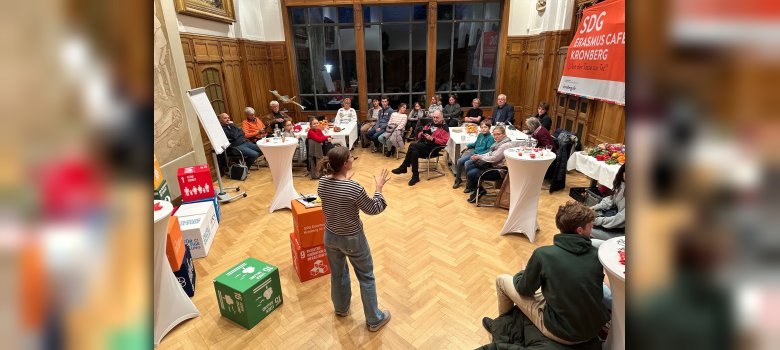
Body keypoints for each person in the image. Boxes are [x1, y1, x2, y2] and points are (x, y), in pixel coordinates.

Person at [483, 201, 610, 345]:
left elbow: (524, 290)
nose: (592, 229)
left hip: (563, 332)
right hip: (592, 329)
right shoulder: (597, 255)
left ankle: (502, 329)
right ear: (580, 230)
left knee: (502, 280)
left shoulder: (544, 254)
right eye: (591, 226)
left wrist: (523, 273)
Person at [316, 147, 392, 332]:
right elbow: (374, 208)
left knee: (338, 273)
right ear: (345, 163)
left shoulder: (323, 182)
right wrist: (379, 187)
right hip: (352, 239)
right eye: (351, 157)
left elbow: (331, 194)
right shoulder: (353, 187)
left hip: (330, 236)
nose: (353, 158)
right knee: (366, 277)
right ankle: (374, 319)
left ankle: (341, 309)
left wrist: (344, 184)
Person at [391, 110, 450, 186]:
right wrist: (422, 134)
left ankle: (404, 166)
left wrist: (432, 139)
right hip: (424, 145)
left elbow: (444, 142)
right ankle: (415, 176)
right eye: (434, 117)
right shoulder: (430, 124)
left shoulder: (445, 128)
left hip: (433, 148)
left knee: (412, 146)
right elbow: (419, 135)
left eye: (437, 118)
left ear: (442, 118)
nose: (435, 119)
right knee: (414, 152)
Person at [463, 126, 513, 202]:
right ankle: (476, 190)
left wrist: (479, 157)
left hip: (499, 170)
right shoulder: (499, 142)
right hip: (492, 165)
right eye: (494, 134)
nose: (495, 136)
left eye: (498, 134)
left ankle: (478, 191)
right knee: (469, 166)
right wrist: (479, 156)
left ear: (504, 134)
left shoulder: (505, 145)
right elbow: (490, 153)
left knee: (471, 173)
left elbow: (494, 158)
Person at [589, 163, 625, 247]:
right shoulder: (623, 184)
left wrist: (596, 221)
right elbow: (611, 200)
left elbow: (620, 219)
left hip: (623, 233)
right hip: (617, 224)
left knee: (585, 229)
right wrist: (593, 208)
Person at [453, 121, 494, 189]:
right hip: (474, 153)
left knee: (467, 163)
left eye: (485, 127)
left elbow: (488, 150)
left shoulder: (490, 138)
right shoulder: (480, 135)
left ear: (489, 128)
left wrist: (478, 155)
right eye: (482, 127)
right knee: (459, 161)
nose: (483, 129)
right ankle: (458, 179)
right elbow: (475, 144)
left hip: (480, 156)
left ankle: (469, 184)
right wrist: (468, 146)